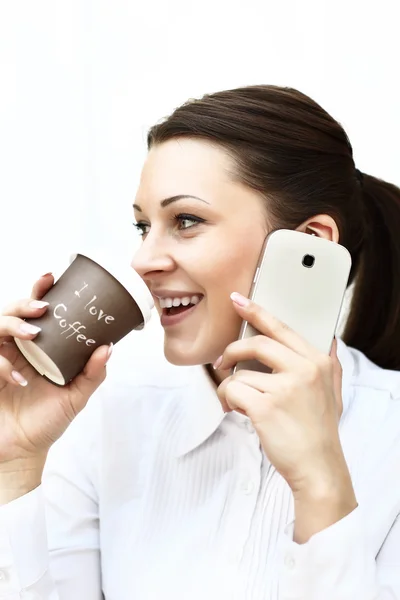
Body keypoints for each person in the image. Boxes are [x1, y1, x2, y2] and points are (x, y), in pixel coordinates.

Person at [0, 85, 400, 600]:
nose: (143, 261)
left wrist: (322, 486)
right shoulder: (113, 414)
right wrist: (15, 466)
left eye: (186, 221)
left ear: (312, 243)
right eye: (143, 226)